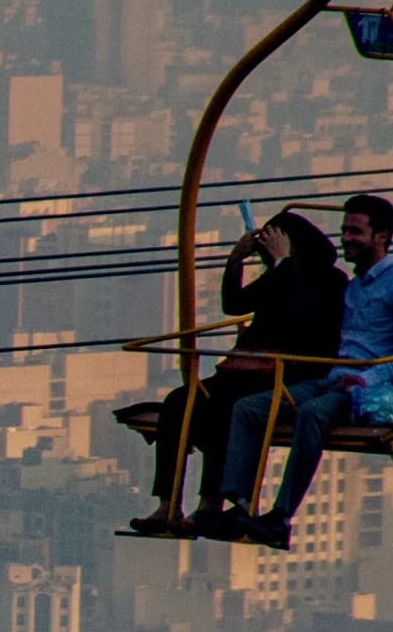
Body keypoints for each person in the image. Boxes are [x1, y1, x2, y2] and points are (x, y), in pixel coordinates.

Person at [205, 192, 393, 549]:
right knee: (248, 409)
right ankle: (241, 505)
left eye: (356, 231)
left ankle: (280, 518)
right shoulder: (352, 287)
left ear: (381, 237)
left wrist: (365, 377)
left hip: (370, 388)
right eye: (344, 231)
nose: (347, 239)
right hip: (332, 379)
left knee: (310, 414)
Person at [127, 209, 340, 534]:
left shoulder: (329, 281)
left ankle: (209, 505)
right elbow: (235, 304)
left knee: (222, 412)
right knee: (179, 402)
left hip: (285, 375)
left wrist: (283, 265)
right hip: (244, 371)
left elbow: (303, 314)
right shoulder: (278, 276)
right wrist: (236, 261)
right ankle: (167, 504)